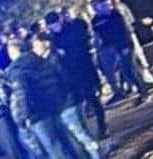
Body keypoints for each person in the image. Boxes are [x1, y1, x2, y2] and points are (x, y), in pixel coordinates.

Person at [5, 37, 91, 159]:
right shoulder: (41, 61)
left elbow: (21, 95)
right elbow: (59, 79)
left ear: (13, 51)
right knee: (67, 141)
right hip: (54, 107)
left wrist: (22, 117)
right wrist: (59, 101)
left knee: (52, 148)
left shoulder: (17, 70)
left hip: (36, 114)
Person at [33, 33, 103, 159]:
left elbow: (64, 81)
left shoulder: (54, 60)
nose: (35, 49)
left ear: (46, 43)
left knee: (81, 134)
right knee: (78, 135)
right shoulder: (49, 60)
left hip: (67, 103)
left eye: (37, 45)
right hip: (66, 103)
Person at [46, 10, 109, 139]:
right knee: (79, 104)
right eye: (52, 27)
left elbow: (83, 46)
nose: (54, 28)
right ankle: (89, 132)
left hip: (84, 70)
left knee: (93, 99)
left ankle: (102, 126)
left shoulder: (73, 29)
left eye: (55, 25)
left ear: (60, 21)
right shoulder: (54, 38)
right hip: (71, 76)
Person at [92, 0, 150, 105]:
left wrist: (126, 46)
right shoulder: (95, 20)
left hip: (123, 45)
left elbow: (125, 30)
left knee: (130, 69)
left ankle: (144, 92)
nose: (96, 9)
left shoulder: (115, 15)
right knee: (123, 71)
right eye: (94, 7)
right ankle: (131, 91)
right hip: (110, 47)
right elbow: (98, 35)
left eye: (98, 6)